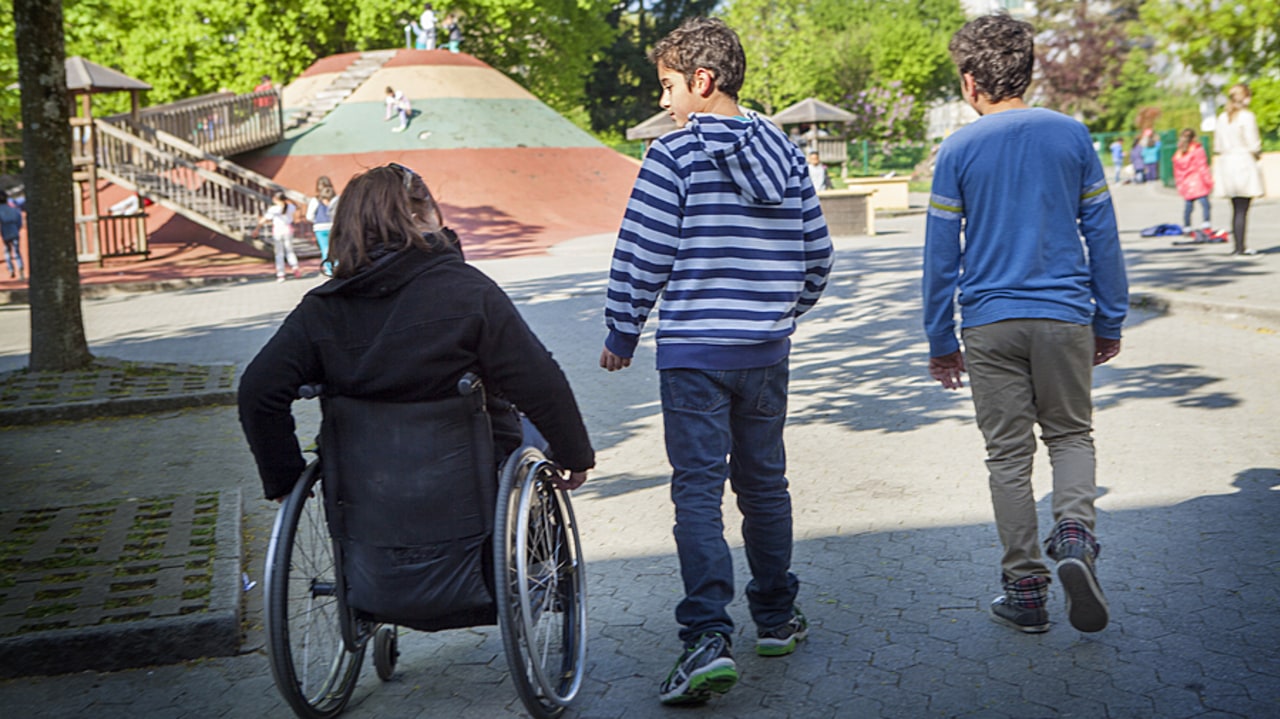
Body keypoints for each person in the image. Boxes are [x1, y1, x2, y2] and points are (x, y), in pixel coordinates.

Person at [598, 16, 833, 706]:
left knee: (698, 493)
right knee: (765, 486)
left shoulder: (672, 156)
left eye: (668, 85)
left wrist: (622, 329)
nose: (664, 100)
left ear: (702, 81)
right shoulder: (786, 153)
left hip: (693, 354)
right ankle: (777, 618)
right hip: (765, 353)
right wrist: (781, 311)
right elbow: (818, 255)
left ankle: (706, 637)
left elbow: (643, 251)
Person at [922, 14, 1128, 636]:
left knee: (1008, 457)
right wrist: (1109, 317)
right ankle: (1075, 534)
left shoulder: (958, 149)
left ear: (969, 82)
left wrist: (940, 339)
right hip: (1064, 316)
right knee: (1070, 435)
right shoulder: (1072, 136)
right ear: (1028, 73)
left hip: (990, 324)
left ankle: (1027, 592)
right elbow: (1103, 235)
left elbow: (940, 255)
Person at [238, 163, 594, 504]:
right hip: (473, 484)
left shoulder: (321, 310)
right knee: (535, 435)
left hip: (363, 496)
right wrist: (575, 455)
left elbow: (258, 391)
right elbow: (537, 380)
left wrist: (284, 478)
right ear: (421, 217)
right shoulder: (470, 292)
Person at [1213, 83, 1266, 255]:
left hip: (1227, 163)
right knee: (1243, 209)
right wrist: (1257, 153)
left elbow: (1217, 145)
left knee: (1236, 208)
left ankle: (1238, 246)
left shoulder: (1222, 118)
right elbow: (1253, 143)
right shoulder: (1247, 117)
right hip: (1243, 162)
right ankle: (1241, 247)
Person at [1171, 128, 1213, 237]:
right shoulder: (1197, 150)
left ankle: (1187, 227)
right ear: (1194, 137)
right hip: (1198, 181)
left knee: (1188, 207)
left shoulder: (1179, 153)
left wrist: (1180, 185)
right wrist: (1209, 181)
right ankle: (1206, 225)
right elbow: (1202, 166)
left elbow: (1177, 172)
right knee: (1205, 204)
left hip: (1186, 183)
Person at [259, 191, 300, 282]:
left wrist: (257, 227)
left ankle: (281, 273)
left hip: (278, 231)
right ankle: (295, 267)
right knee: (290, 251)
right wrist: (289, 200)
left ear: (276, 199)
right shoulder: (290, 207)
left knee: (279, 253)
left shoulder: (274, 209)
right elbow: (296, 206)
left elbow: (265, 219)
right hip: (287, 229)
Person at [306, 176, 339, 276]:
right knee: (336, 247)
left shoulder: (315, 200)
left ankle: (328, 269)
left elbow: (309, 216)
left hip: (320, 227)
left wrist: (316, 221)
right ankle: (338, 266)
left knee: (325, 248)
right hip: (333, 225)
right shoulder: (336, 198)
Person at [0, 190, 23, 281]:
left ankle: (11, 270)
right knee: (17, 251)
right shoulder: (13, 209)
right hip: (14, 229)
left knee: (7, 251)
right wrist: (17, 228)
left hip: (5, 230)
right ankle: (20, 268)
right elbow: (19, 221)